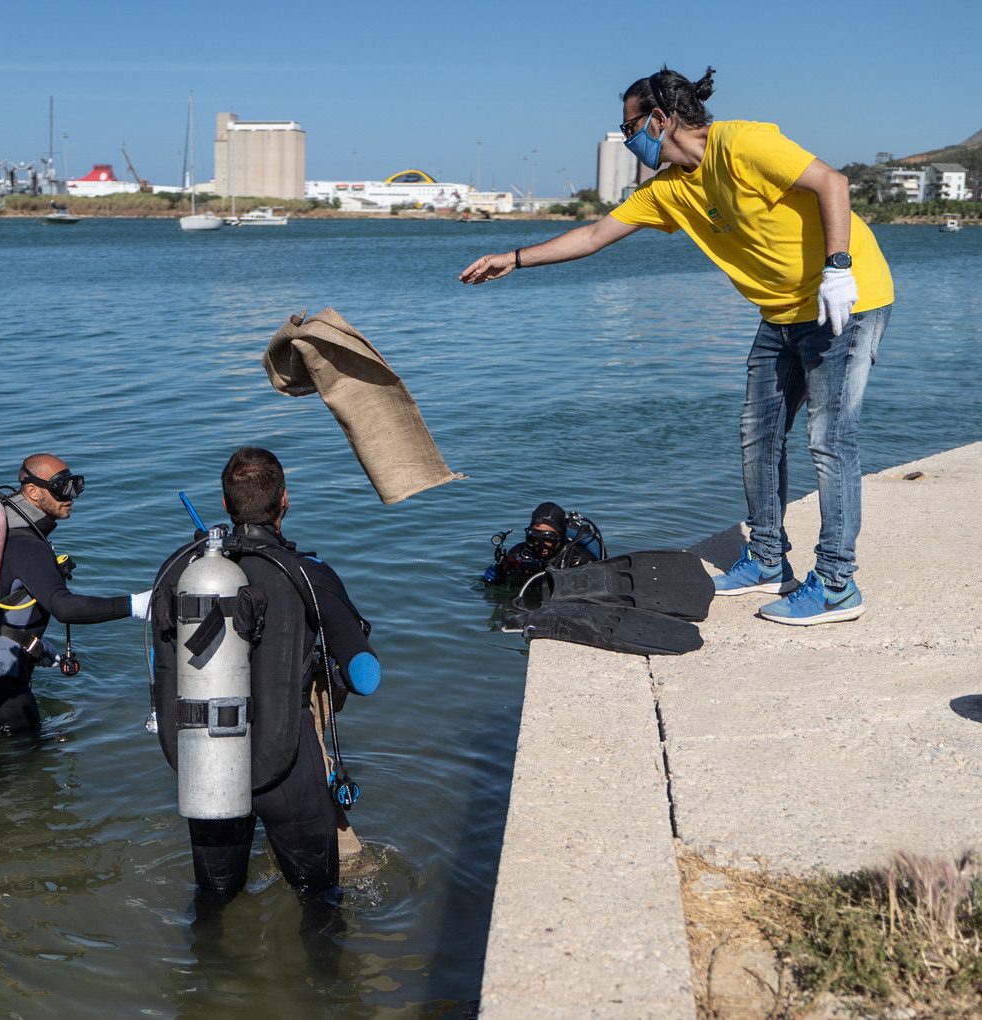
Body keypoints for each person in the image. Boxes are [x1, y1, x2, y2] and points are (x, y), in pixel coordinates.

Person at [459, 66, 893, 627]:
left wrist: (839, 268)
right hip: (780, 313)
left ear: (660, 119)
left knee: (829, 441)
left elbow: (833, 182)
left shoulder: (744, 143)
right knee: (757, 437)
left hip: (845, 301)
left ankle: (837, 584)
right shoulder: (666, 191)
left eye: (629, 127)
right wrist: (513, 259)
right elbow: (593, 235)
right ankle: (765, 559)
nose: (626, 139)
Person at [150, 447, 382, 906]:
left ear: (225, 504)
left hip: (206, 761)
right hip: (288, 766)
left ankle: (208, 971)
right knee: (318, 902)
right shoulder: (306, 574)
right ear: (285, 501)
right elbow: (365, 675)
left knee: (213, 901)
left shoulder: (183, 572)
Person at [0, 453, 151, 735]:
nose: (71, 495)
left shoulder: (11, 536)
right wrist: (136, 605)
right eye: (61, 487)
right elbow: (65, 608)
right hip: (7, 700)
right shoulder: (27, 545)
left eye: (75, 485)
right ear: (32, 491)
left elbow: (1, 611)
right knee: (32, 776)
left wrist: (34, 645)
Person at [482, 501, 601, 587]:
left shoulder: (580, 560)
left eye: (548, 539)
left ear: (560, 538)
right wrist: (496, 576)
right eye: (534, 539)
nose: (540, 546)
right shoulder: (519, 552)